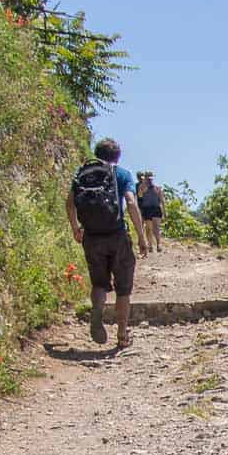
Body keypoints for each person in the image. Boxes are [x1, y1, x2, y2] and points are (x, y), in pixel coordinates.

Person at [66, 138, 146, 349]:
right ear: (117, 157)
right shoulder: (122, 174)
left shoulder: (83, 173)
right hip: (117, 235)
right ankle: (122, 335)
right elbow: (130, 202)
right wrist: (141, 235)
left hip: (92, 236)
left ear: (97, 152)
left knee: (99, 283)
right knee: (123, 288)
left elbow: (70, 202)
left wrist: (76, 228)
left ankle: (98, 312)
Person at [136, 171, 165, 253]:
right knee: (148, 228)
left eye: (150, 178)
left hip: (156, 208)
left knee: (156, 227)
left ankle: (159, 244)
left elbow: (162, 200)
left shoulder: (157, 188)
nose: (149, 180)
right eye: (147, 178)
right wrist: (142, 188)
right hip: (147, 209)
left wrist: (164, 212)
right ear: (144, 178)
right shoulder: (142, 187)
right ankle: (150, 245)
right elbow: (140, 196)